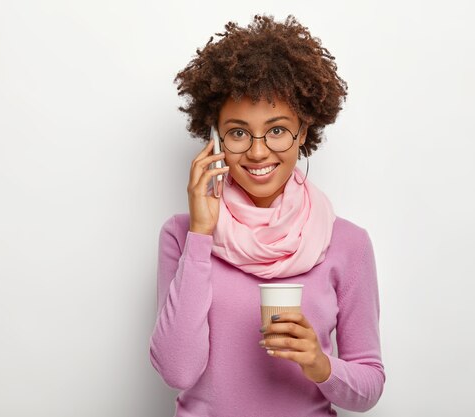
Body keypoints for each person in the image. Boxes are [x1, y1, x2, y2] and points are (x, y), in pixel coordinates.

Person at [149, 14, 385, 416]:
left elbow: (369, 388)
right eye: (239, 132)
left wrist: (319, 364)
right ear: (216, 137)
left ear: (304, 130)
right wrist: (202, 233)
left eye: (276, 130)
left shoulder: (348, 244)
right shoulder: (182, 234)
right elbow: (178, 370)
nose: (258, 153)